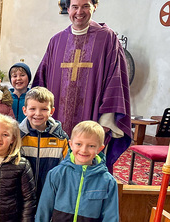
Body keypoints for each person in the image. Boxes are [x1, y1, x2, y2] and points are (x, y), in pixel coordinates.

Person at [32, 0, 131, 171]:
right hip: (56, 127)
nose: (79, 12)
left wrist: (105, 124)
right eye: (75, 7)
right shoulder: (56, 41)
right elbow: (42, 84)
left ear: (95, 6)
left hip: (92, 125)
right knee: (55, 175)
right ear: (68, 9)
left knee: (87, 177)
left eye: (85, 6)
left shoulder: (107, 39)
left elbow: (115, 82)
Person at [6, 86, 70, 222]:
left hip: (50, 194)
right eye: (33, 109)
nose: (37, 114)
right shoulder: (17, 134)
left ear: (51, 110)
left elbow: (68, 163)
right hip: (22, 194)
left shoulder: (60, 137)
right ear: (24, 110)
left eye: (43, 109)